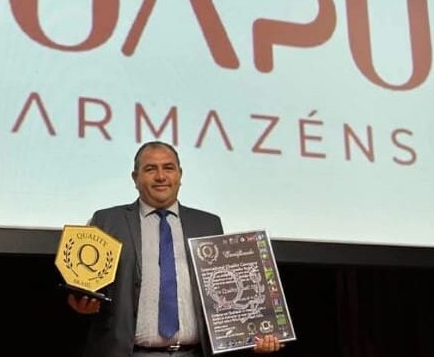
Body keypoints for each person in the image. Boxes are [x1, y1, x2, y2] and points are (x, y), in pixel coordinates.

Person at [68, 141, 283, 357]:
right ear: (135, 178)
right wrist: (79, 303)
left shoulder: (208, 225)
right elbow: (84, 288)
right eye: (150, 169)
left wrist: (252, 335)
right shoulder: (107, 221)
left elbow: (224, 295)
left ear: (180, 175)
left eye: (168, 168)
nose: (161, 176)